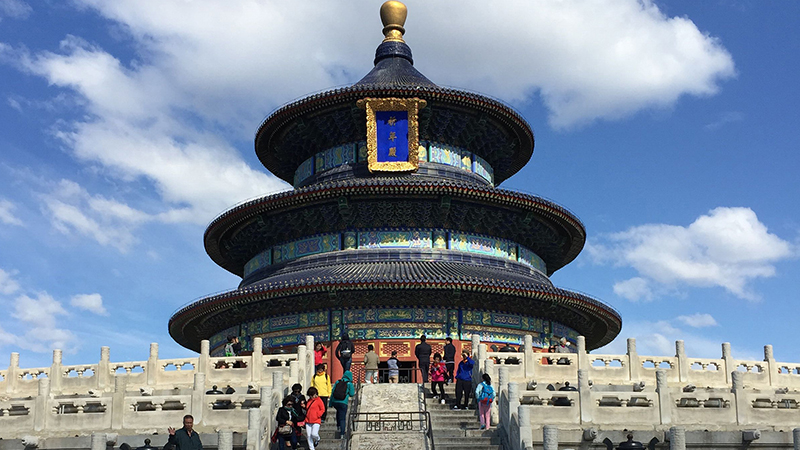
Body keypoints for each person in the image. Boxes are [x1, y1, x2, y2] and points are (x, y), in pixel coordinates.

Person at [329, 370, 355, 439]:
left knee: (338, 412)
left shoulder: (338, 382)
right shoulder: (349, 384)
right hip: (343, 402)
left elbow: (333, 393)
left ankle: (338, 426)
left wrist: (330, 403)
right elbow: (352, 394)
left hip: (335, 401)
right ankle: (342, 433)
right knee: (343, 417)